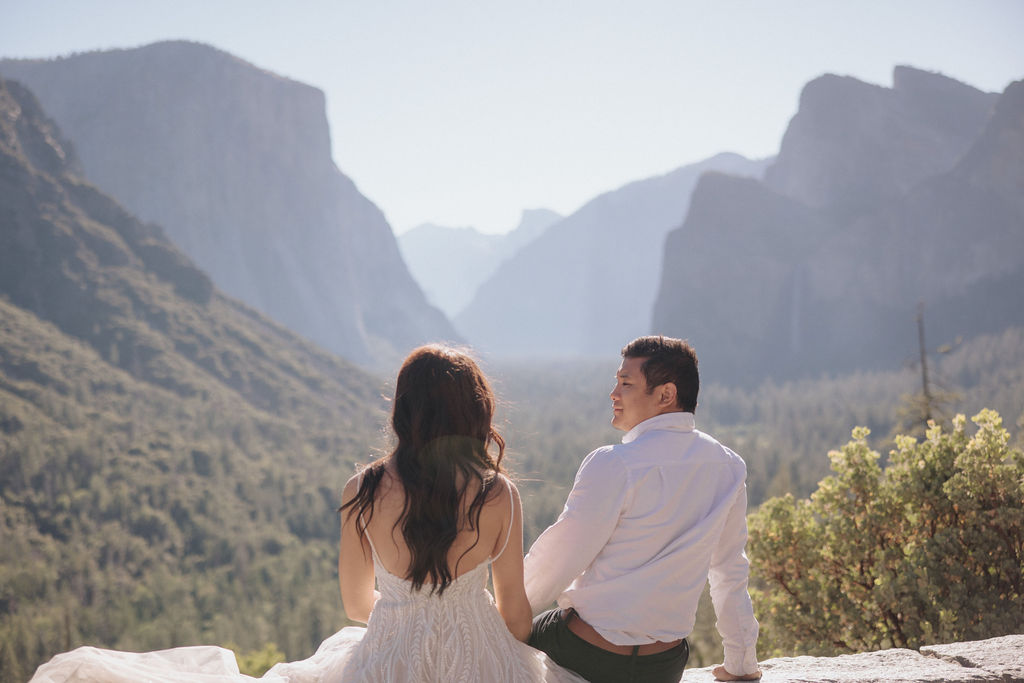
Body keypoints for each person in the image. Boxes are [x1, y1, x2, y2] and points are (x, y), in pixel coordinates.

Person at [31, 345, 585, 683]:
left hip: (386, 660)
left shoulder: (363, 489)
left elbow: (353, 603)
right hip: (479, 660)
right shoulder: (498, 495)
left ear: (404, 410)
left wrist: (405, 622)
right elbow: (514, 612)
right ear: (476, 412)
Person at [524, 335, 762, 683]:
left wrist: (503, 617)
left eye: (625, 383)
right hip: (664, 666)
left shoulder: (615, 464)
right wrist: (741, 663)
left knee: (499, 644)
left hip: (587, 655)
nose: (613, 393)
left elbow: (554, 563)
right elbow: (729, 571)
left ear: (666, 394)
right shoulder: (728, 465)